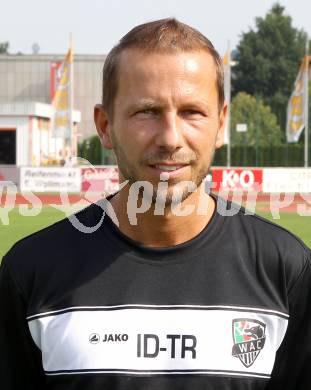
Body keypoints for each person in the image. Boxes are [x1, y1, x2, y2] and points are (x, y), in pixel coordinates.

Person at [0, 18, 310, 390]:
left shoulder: (287, 270)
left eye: (192, 112)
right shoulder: (29, 273)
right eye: (146, 111)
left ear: (221, 124)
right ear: (104, 125)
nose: (170, 138)